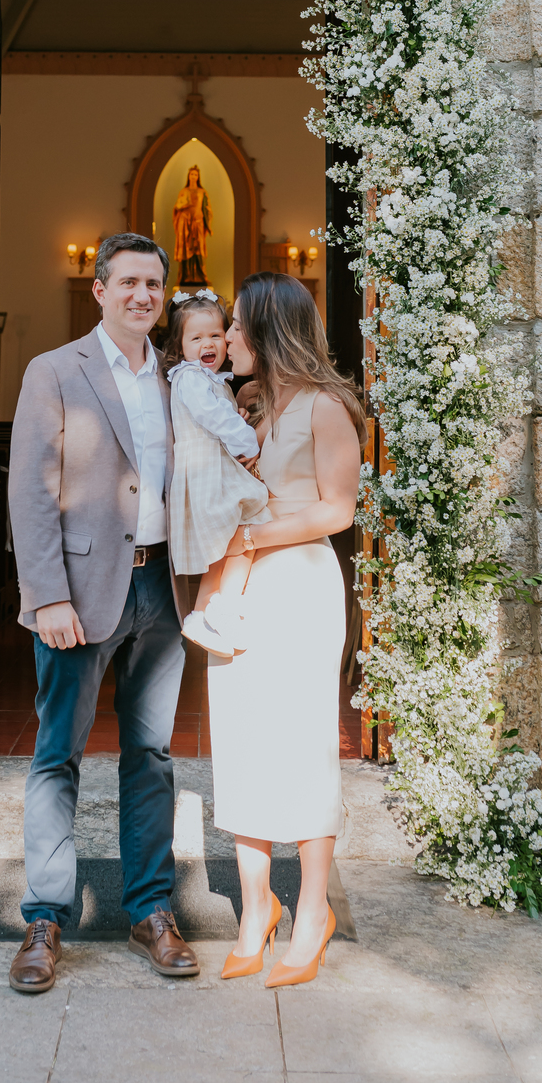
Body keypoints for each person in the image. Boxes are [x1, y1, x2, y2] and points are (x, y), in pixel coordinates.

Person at [4, 232, 200, 994]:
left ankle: (151, 911)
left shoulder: (183, 379)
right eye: (129, 284)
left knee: (150, 757)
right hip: (80, 597)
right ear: (101, 290)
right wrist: (46, 594)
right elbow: (30, 490)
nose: (143, 296)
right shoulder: (55, 370)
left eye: (154, 285)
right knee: (59, 753)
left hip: (162, 591)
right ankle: (44, 919)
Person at [209, 270, 365, 989]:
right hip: (246, 588)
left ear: (270, 330)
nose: (227, 337)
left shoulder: (326, 408)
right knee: (239, 738)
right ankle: (254, 910)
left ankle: (311, 914)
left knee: (301, 742)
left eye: (237, 326)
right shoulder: (250, 407)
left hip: (299, 585)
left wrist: (252, 540)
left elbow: (338, 511)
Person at [160, 288, 271, 658]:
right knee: (248, 522)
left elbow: (220, 418)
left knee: (236, 536)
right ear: (180, 345)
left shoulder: (212, 381)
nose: (208, 343)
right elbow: (217, 420)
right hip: (206, 474)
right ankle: (219, 609)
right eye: (196, 337)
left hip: (212, 470)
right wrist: (250, 443)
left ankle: (213, 610)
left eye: (215, 335)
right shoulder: (190, 378)